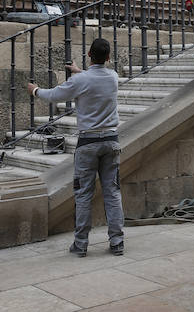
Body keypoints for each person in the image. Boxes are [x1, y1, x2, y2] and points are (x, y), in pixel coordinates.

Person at [27, 37, 125, 257]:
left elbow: (54, 95)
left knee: (83, 194)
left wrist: (34, 90)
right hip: (111, 141)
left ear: (89, 55)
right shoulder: (114, 77)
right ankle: (117, 241)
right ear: (108, 58)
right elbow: (95, 78)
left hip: (88, 142)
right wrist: (80, 72)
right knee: (113, 192)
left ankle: (81, 244)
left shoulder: (81, 81)